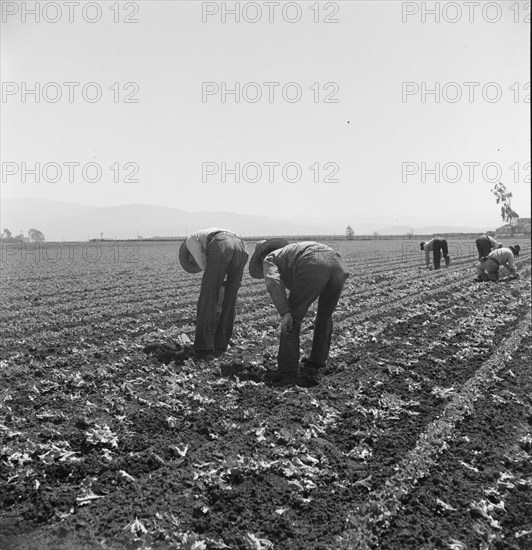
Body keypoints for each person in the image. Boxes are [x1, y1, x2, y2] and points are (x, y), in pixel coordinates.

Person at [249, 239, 350, 386]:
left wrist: (285, 312)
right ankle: (317, 360)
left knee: (292, 321)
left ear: (261, 257)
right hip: (338, 264)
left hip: (313, 264)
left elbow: (273, 282)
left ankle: (287, 371)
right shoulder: (289, 252)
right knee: (325, 317)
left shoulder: (269, 259)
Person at [179, 228, 248, 357]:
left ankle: (204, 347)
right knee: (231, 296)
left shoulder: (190, 241)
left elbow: (206, 267)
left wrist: (215, 297)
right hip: (241, 245)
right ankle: (221, 344)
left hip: (221, 244)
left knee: (208, 294)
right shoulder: (203, 235)